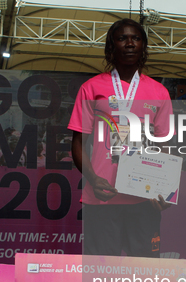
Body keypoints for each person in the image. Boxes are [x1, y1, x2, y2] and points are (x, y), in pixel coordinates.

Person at [69, 19, 172, 257]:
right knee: (100, 276)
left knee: (145, 273)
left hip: (144, 199)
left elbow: (164, 144)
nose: (129, 44)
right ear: (111, 45)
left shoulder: (159, 91)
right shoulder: (91, 88)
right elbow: (77, 143)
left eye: (136, 38)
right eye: (122, 38)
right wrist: (93, 179)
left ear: (143, 46)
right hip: (103, 197)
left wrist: (163, 189)